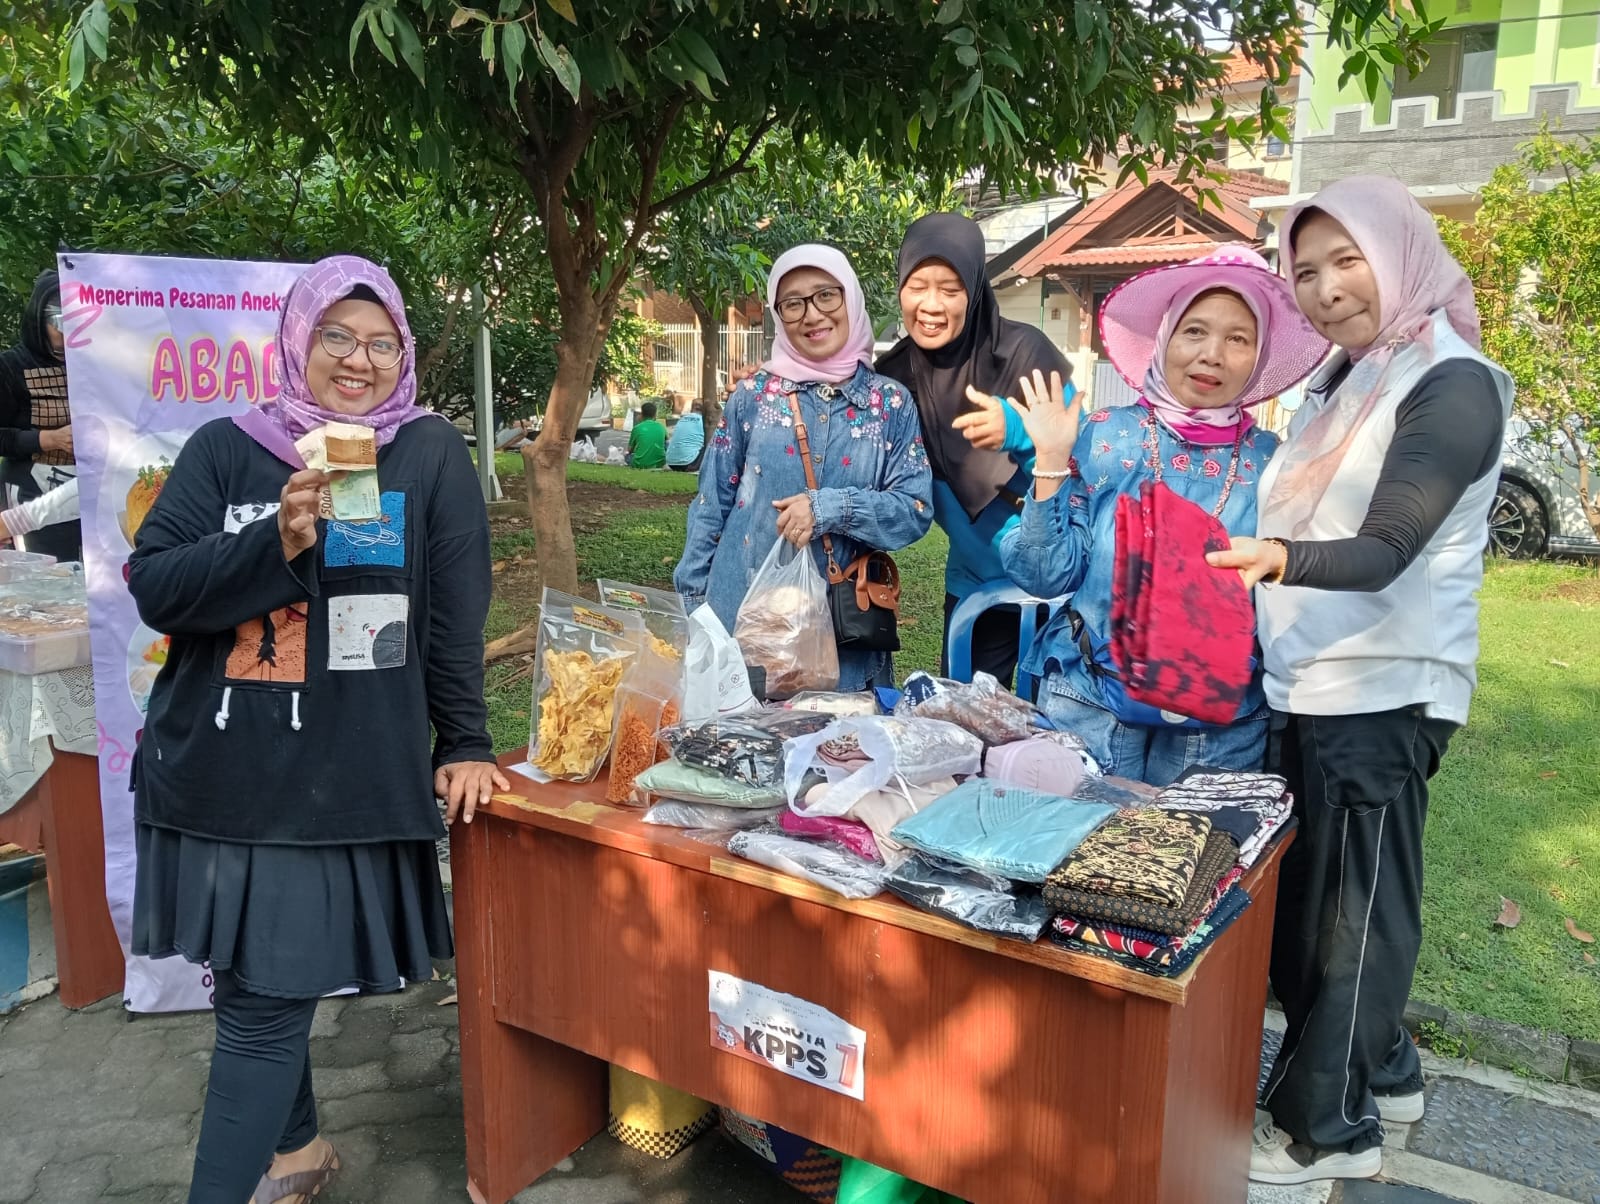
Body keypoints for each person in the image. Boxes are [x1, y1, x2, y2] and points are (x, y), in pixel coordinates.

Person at [126, 255, 508, 1204]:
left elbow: (451, 616)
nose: (358, 360)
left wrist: (465, 740)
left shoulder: (425, 453)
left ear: (404, 354)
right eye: (337, 336)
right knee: (250, 985)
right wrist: (277, 541)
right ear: (299, 339)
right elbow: (156, 587)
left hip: (337, 777)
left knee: (262, 1006)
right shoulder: (228, 447)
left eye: (382, 343)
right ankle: (296, 1149)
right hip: (214, 768)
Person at [1203, 179, 1513, 1186]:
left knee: (1349, 923)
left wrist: (1278, 559)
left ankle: (1323, 1132)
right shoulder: (1352, 376)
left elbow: (1387, 544)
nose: (1326, 288)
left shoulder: (1451, 380)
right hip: (1313, 685)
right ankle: (1384, 1073)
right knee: (1315, 911)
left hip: (1382, 690)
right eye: (1305, 271)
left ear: (1400, 254)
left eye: (1348, 261)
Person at [998, 246, 1328, 785]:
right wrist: (1052, 460)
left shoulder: (1275, 462)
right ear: (1165, 337)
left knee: (1200, 845)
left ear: (1259, 356)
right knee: (1077, 841)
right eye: (1194, 331)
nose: (1212, 354)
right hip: (1090, 706)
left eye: (1238, 339)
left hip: (1220, 729)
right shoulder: (1104, 435)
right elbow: (1044, 575)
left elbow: (1294, 601)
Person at [674, 243, 933, 690]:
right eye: (793, 303)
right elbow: (711, 504)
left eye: (826, 295)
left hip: (843, 641)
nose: (812, 315)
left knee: (839, 736)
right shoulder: (752, 397)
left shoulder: (890, 405)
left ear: (851, 297)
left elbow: (914, 509)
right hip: (742, 630)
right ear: (778, 315)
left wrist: (830, 508)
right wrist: (693, 605)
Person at [876, 213, 1075, 690]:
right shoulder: (894, 379)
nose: (931, 305)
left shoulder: (1026, 356)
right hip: (974, 585)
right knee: (966, 719)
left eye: (950, 289)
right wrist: (775, 390)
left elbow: (1080, 459)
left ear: (974, 288)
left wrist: (1017, 430)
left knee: (1055, 721)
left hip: (1058, 584)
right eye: (917, 286)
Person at [0, 270, 80, 561]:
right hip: (31, 493)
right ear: (39, 319)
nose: (68, 333)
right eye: (60, 323)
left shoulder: (94, 364)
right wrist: (47, 439)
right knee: (47, 576)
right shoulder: (11, 366)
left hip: (89, 491)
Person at [665, 400, 706, 472]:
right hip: (689, 463)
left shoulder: (681, 420)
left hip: (671, 463)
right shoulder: (705, 422)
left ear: (691, 408)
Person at [627, 399, 667, 468]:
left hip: (640, 464)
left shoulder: (637, 428)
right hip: (660, 463)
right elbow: (667, 443)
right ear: (655, 414)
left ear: (641, 414)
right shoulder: (661, 427)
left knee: (627, 456)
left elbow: (630, 449)